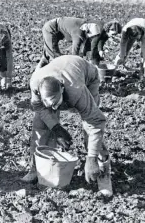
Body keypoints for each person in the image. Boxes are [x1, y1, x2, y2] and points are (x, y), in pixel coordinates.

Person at [23, 55, 112, 196]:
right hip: (60, 72)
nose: (53, 108)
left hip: (87, 77)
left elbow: (96, 121)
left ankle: (103, 170)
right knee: (41, 124)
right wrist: (56, 128)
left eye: (55, 104)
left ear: (62, 90)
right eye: (49, 104)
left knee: (89, 130)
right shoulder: (35, 83)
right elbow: (40, 108)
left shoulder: (76, 90)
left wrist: (91, 157)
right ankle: (37, 168)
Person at [37, 17, 102, 69]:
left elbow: (87, 48)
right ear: (87, 32)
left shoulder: (86, 26)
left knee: (48, 54)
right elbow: (75, 51)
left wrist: (93, 60)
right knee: (54, 56)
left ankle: (38, 71)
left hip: (58, 30)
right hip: (51, 29)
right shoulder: (79, 33)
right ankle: (52, 77)